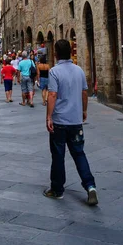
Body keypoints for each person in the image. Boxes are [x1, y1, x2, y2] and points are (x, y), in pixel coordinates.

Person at [44, 39, 98, 205]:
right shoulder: (79, 70)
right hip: (75, 121)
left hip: (60, 120)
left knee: (58, 155)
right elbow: (84, 92)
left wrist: (49, 117)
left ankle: (57, 189)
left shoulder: (54, 71)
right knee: (79, 153)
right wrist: (83, 111)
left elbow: (52, 95)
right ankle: (90, 186)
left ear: (56, 54)